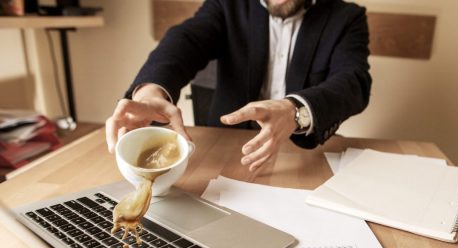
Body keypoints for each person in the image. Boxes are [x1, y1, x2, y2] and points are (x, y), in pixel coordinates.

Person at [106, 0, 372, 171]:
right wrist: (151, 90)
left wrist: (295, 111)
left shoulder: (347, 18)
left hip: (302, 157)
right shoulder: (227, 5)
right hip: (223, 154)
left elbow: (354, 81)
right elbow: (186, 40)